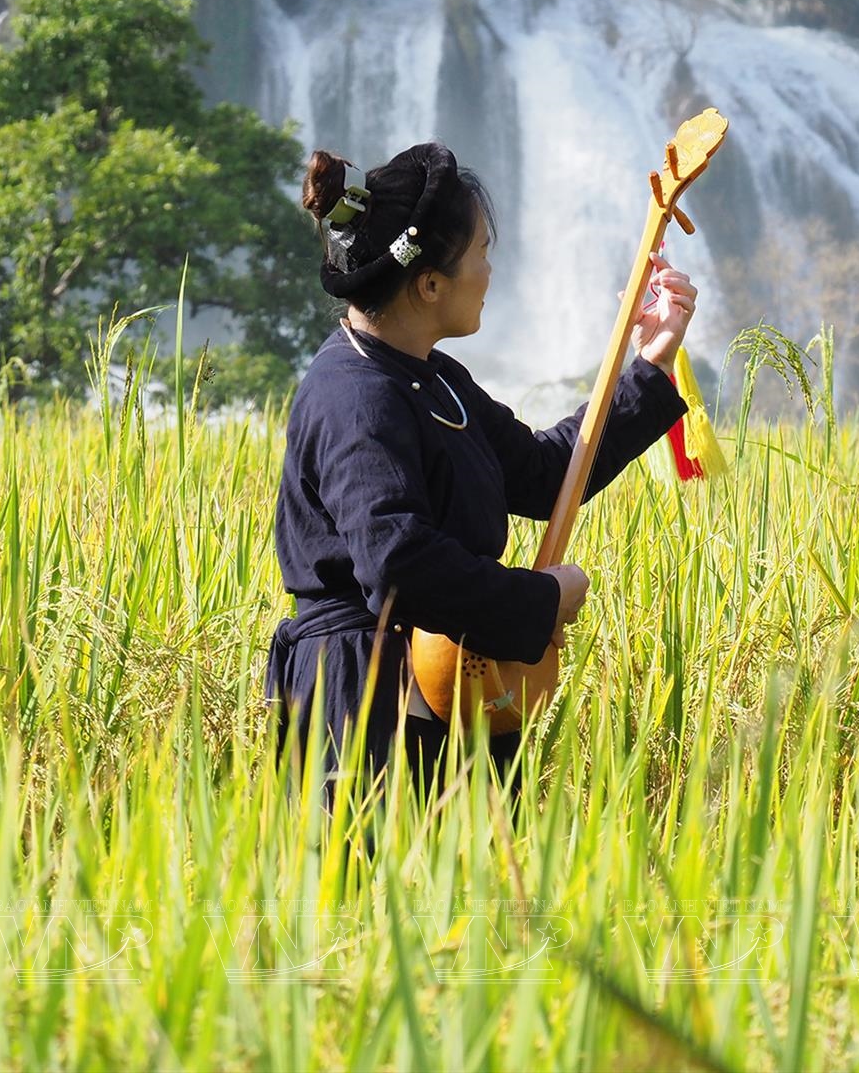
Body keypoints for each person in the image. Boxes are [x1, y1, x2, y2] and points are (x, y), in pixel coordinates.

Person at [267, 142, 695, 791]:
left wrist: (650, 362)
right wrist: (540, 601)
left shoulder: (435, 378)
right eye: (482, 253)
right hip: (366, 713)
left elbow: (546, 473)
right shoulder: (354, 394)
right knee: (379, 861)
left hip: (458, 691)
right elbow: (399, 563)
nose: (490, 272)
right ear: (430, 284)